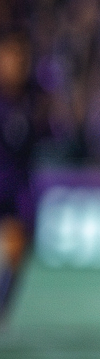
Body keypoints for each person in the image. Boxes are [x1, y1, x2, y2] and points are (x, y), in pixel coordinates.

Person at [0, 32, 44, 325]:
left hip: (18, 186)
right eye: (10, 56)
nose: (17, 63)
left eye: (22, 58)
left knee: (18, 250)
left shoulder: (33, 97)